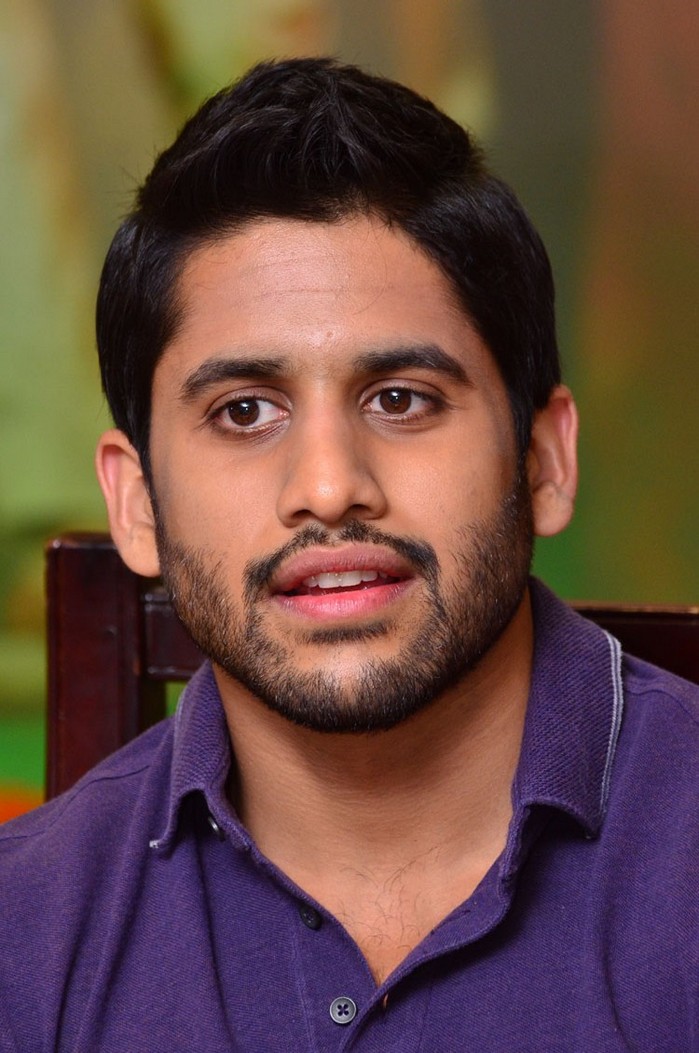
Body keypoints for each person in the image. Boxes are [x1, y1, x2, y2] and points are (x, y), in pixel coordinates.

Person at [1, 57, 697, 1052]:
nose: (328, 486)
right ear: (138, 502)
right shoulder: (24, 938)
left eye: (401, 398)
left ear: (544, 459)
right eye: (244, 412)